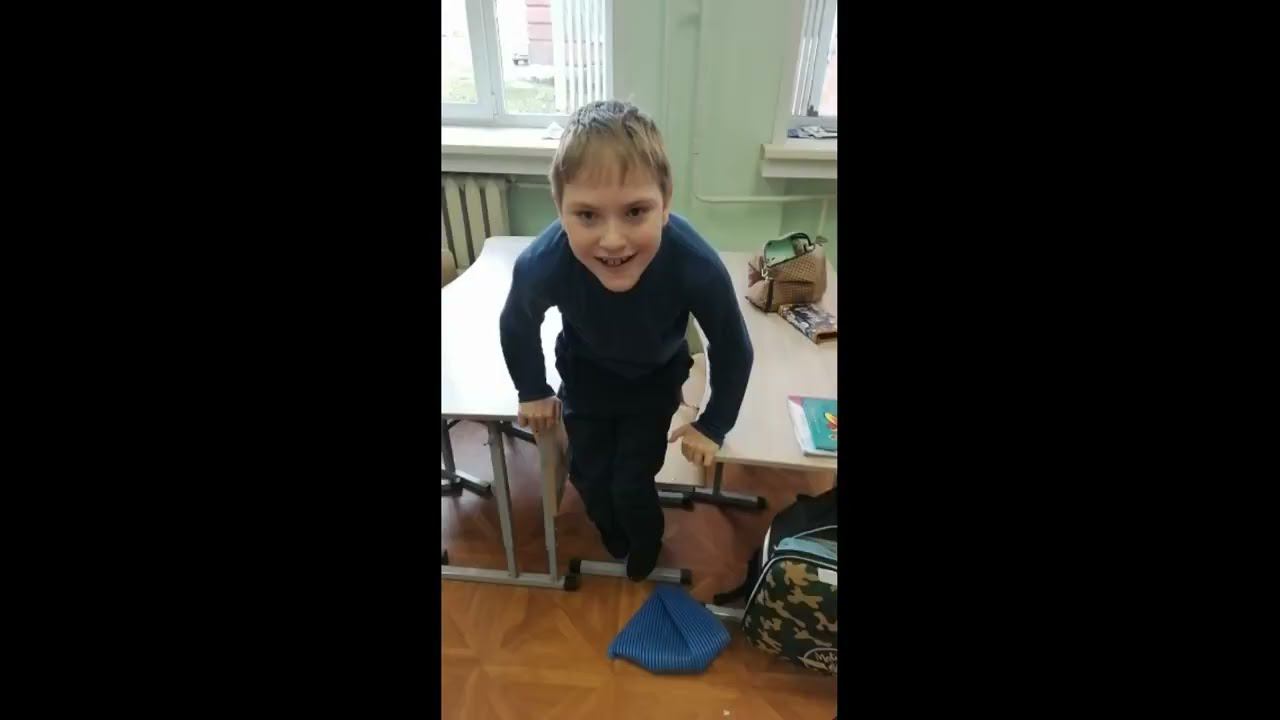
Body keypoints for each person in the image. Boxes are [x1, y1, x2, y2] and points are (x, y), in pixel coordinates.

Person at [499, 100, 753, 581]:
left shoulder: (694, 263)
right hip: (585, 376)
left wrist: (714, 423)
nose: (613, 240)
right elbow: (517, 321)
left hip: (652, 383)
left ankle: (645, 541)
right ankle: (615, 535)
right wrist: (532, 388)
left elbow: (732, 345)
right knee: (588, 476)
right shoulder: (543, 262)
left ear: (666, 203)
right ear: (560, 211)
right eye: (587, 215)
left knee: (631, 482)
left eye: (635, 211)